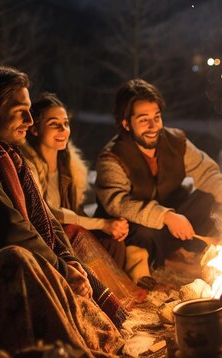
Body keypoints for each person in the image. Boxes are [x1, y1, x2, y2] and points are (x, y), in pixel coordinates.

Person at [0, 65, 123, 356]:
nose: (31, 121)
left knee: (64, 258)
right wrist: (60, 268)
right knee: (18, 259)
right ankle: (62, 349)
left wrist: (68, 259)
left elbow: (46, 220)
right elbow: (5, 227)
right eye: (21, 111)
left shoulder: (8, 157)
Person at [95, 78, 222, 269]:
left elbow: (208, 173)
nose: (153, 126)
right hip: (140, 228)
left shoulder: (175, 142)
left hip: (173, 220)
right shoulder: (112, 157)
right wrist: (166, 217)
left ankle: (186, 253)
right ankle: (160, 263)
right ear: (126, 124)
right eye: (144, 120)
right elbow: (118, 203)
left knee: (210, 197)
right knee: (145, 232)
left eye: (157, 117)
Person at [21, 92, 153, 299]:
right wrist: (101, 223)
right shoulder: (28, 166)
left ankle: (110, 292)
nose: (63, 130)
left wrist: (109, 226)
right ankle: (105, 295)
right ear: (35, 129)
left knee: (113, 240)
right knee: (78, 232)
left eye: (65, 123)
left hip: (70, 230)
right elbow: (50, 214)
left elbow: (75, 210)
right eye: (54, 124)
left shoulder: (68, 167)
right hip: (47, 238)